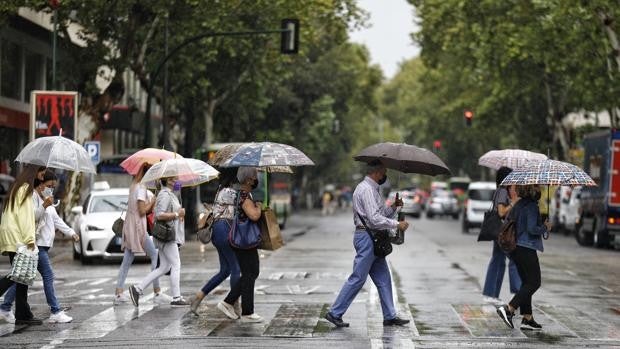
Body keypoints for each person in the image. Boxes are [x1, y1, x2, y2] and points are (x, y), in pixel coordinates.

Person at [324, 160, 410, 327]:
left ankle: (390, 315)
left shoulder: (373, 189)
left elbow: (380, 213)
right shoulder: (366, 189)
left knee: (384, 277)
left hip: (373, 237)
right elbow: (374, 219)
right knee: (358, 277)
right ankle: (335, 313)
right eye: (384, 172)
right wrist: (396, 224)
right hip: (367, 237)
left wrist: (393, 207)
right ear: (377, 172)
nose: (385, 175)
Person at [1, 170, 78, 323]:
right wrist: (30, 240)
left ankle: (8, 308)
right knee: (42, 276)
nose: (51, 188)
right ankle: (55, 311)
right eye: (47, 183)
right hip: (34, 243)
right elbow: (28, 218)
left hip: (31, 242)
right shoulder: (29, 193)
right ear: (39, 180)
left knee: (21, 277)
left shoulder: (40, 196)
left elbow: (54, 219)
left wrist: (71, 232)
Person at [497, 184, 551, 330]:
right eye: (538, 187)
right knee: (534, 282)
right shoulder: (532, 206)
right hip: (526, 248)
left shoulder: (519, 204)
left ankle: (527, 318)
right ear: (532, 190)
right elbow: (532, 229)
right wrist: (545, 227)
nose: (540, 190)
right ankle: (509, 308)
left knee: (526, 282)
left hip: (516, 249)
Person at [114, 164, 169, 305]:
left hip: (132, 226)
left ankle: (119, 293)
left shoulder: (134, 186)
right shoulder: (141, 188)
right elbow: (142, 211)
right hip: (138, 228)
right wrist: (152, 202)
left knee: (127, 260)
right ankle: (156, 291)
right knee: (155, 256)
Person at [129, 176, 189, 307]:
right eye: (174, 179)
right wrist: (177, 214)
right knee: (176, 264)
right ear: (168, 181)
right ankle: (176, 297)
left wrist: (178, 215)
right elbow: (159, 215)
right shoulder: (165, 194)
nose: (176, 181)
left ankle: (137, 288)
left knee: (164, 267)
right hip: (166, 235)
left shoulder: (169, 194)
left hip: (166, 235)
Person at [190, 169, 240, 316]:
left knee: (225, 270)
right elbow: (243, 205)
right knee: (236, 267)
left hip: (217, 231)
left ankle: (198, 297)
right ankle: (232, 303)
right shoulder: (231, 193)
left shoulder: (220, 190)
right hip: (225, 230)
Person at [0, 165, 46, 325]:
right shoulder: (25, 189)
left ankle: (22, 313)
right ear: (34, 173)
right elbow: (25, 216)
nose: (42, 177)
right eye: (41, 174)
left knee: (21, 277)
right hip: (18, 236)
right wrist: (30, 239)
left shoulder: (16, 187)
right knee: (18, 273)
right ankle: (22, 313)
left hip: (10, 234)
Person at [217, 167, 263, 323]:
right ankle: (242, 309)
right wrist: (259, 207)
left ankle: (231, 303)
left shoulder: (242, 194)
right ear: (249, 180)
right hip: (245, 240)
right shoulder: (244, 195)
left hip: (243, 240)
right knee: (251, 272)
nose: (257, 179)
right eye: (256, 176)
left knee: (250, 273)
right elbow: (254, 215)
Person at [481, 166, 522, 305]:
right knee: (513, 260)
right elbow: (501, 212)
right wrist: (513, 204)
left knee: (499, 261)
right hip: (502, 231)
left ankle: (491, 294)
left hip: (500, 231)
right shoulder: (503, 191)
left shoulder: (501, 190)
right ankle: (517, 292)